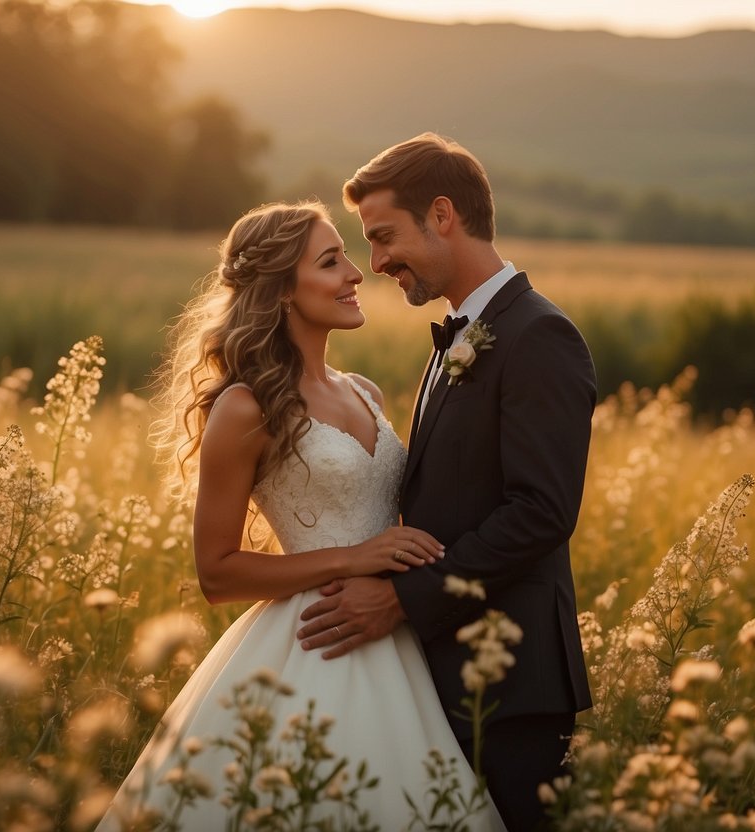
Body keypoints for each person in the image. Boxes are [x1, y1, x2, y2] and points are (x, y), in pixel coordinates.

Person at [97, 201, 505, 830]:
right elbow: (217, 573)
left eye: (347, 257)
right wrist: (353, 557)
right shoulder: (246, 406)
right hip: (315, 642)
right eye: (331, 261)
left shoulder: (362, 390)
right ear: (283, 291)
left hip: (396, 635)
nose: (355, 273)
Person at [296, 134, 596, 830]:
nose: (374, 264)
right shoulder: (462, 334)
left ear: (440, 214)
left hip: (513, 682)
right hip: (439, 676)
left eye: (382, 237)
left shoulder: (538, 335)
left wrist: (404, 598)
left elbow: (540, 512)